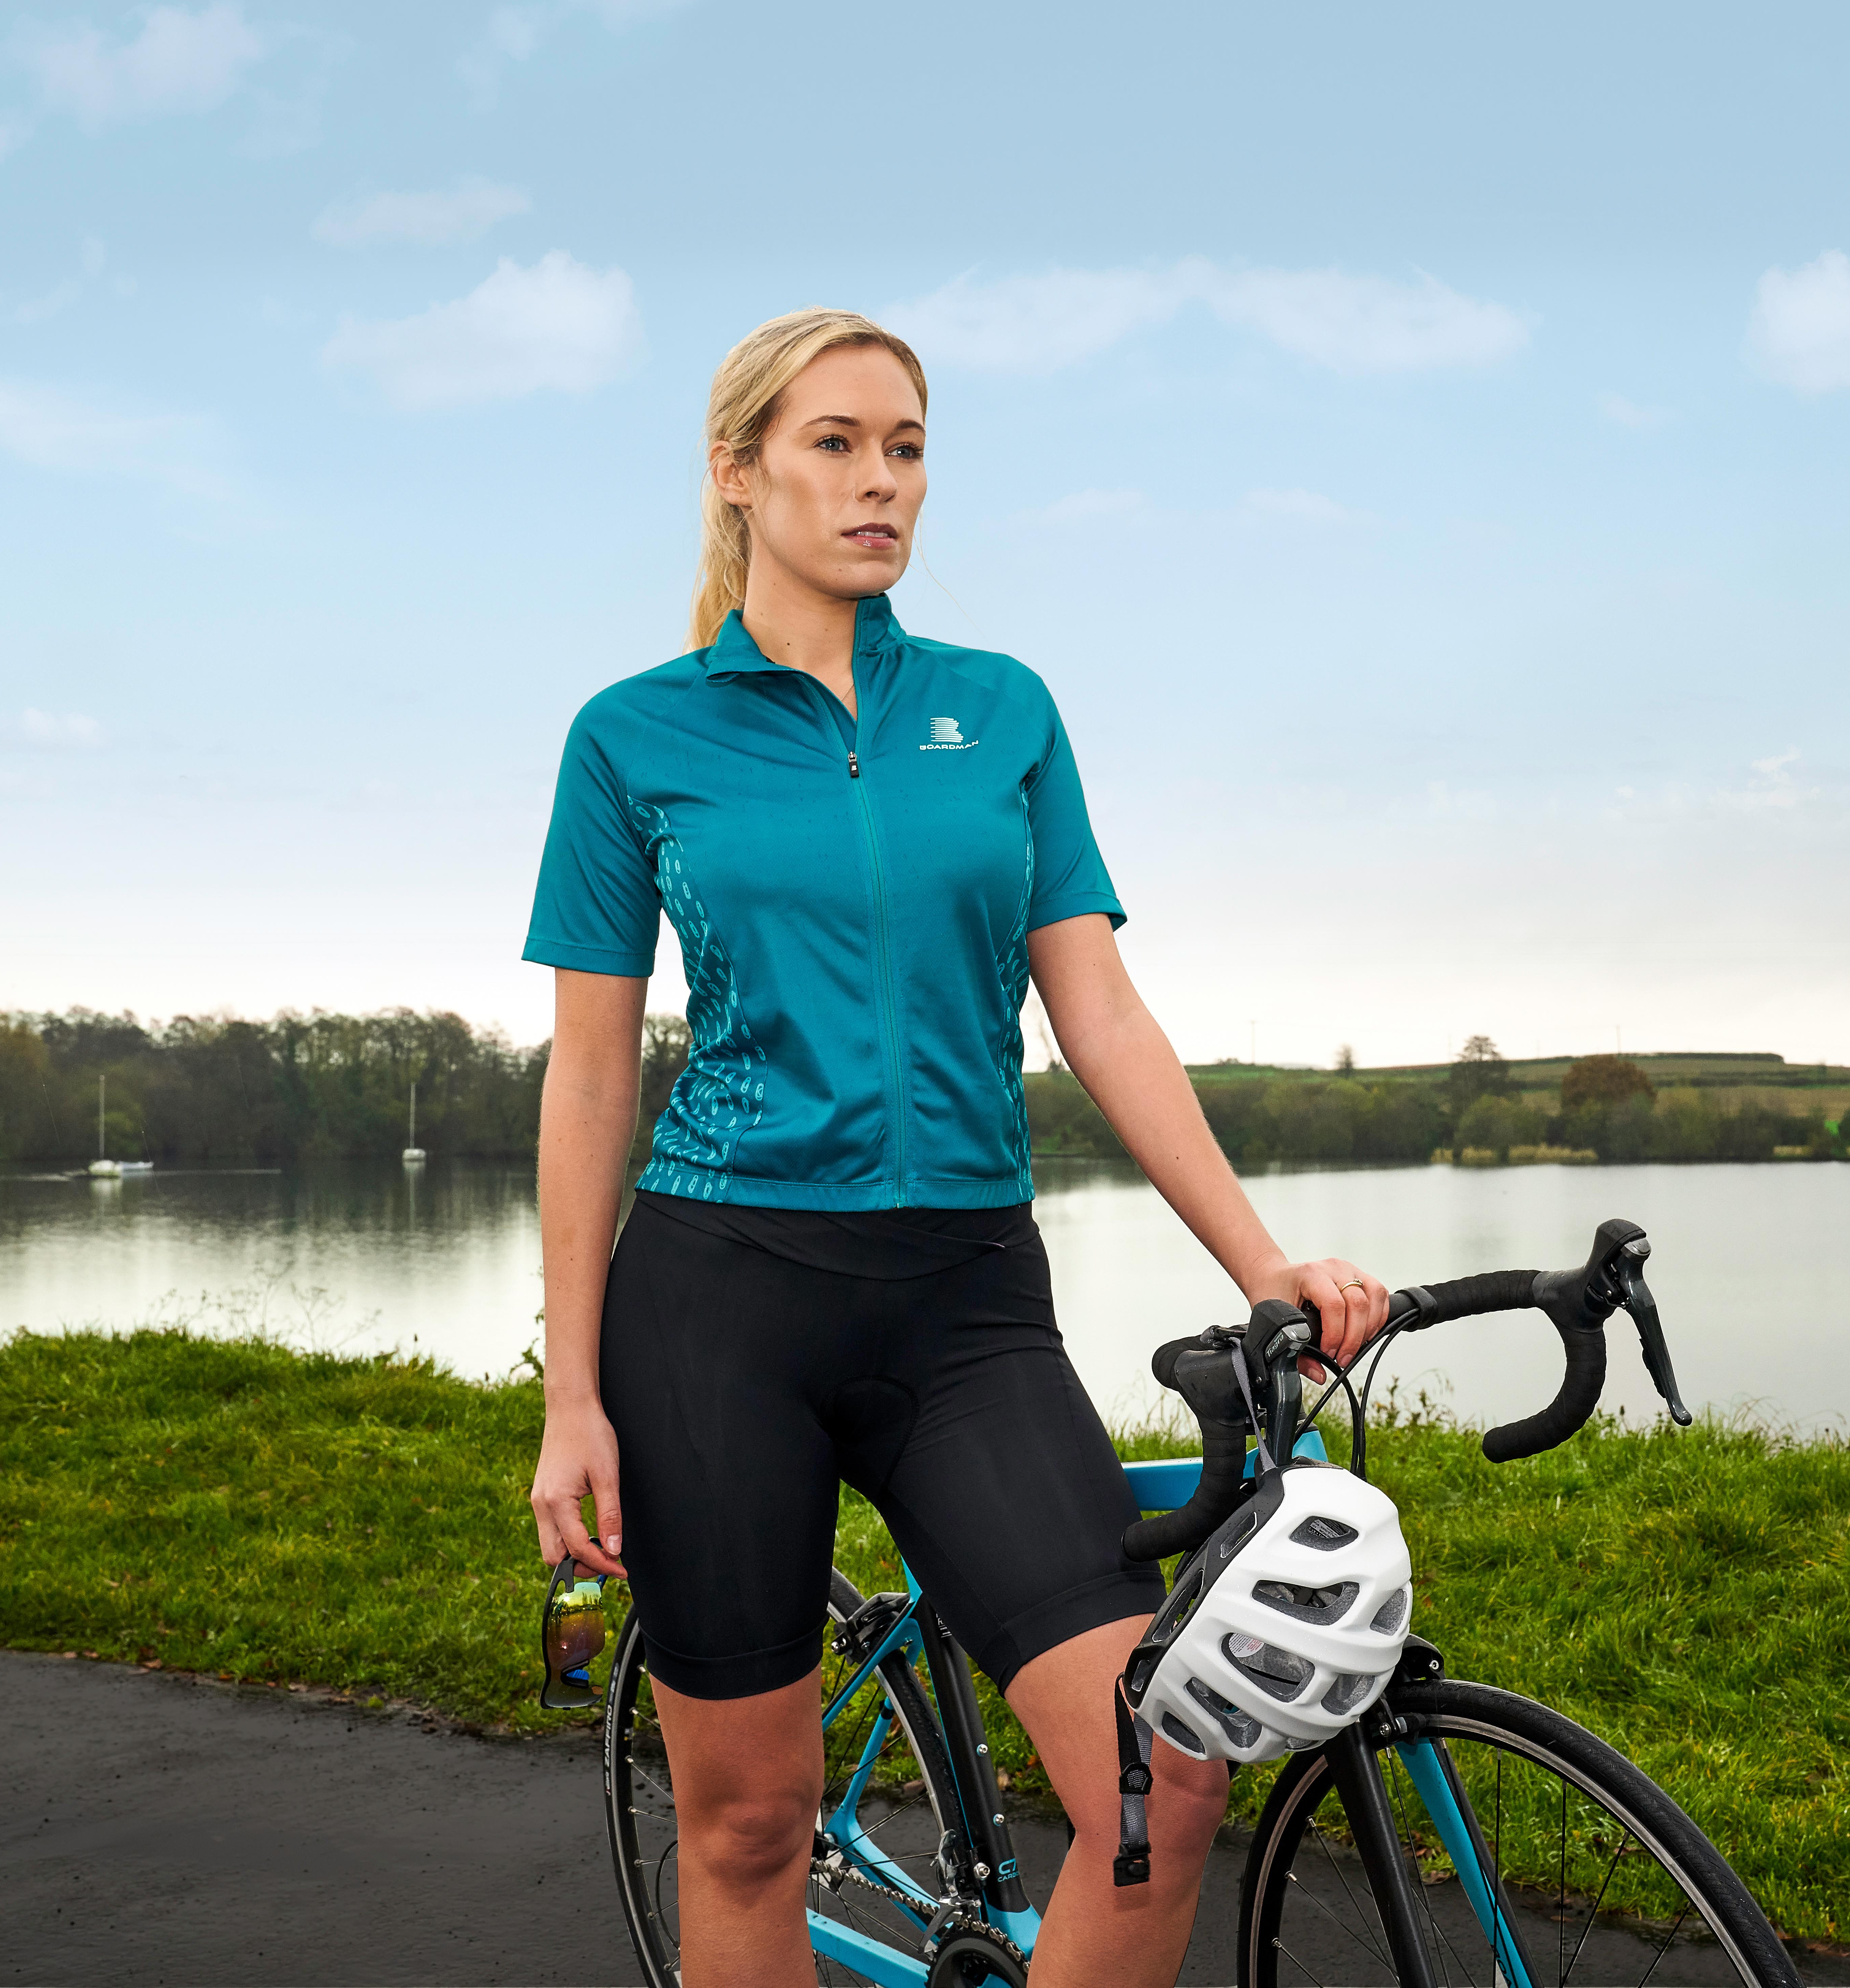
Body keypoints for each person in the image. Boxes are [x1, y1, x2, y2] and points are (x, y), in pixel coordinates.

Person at [523, 308, 1389, 1988]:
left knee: (1162, 1783)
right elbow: (592, 1073)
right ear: (739, 471)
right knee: (747, 1828)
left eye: (907, 447)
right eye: (836, 443)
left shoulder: (1003, 712)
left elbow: (1103, 1013)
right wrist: (576, 1390)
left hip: (968, 1302)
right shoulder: (633, 737)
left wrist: (1263, 1262)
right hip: (720, 1304)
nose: (882, 482)